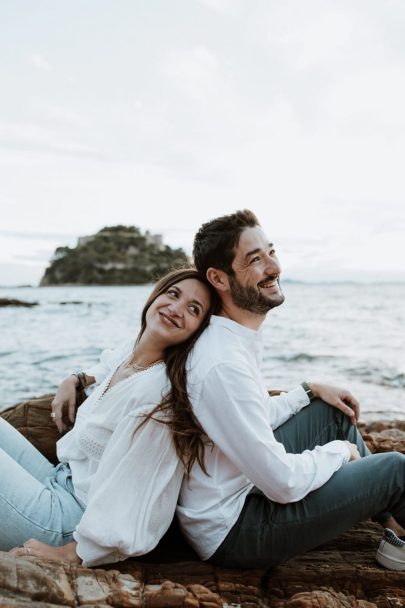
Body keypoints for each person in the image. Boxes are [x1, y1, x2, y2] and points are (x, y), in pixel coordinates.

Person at [176, 209, 405, 571]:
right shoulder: (222, 363)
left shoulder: (232, 336)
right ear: (218, 278)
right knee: (395, 469)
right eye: (255, 260)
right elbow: (281, 482)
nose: (273, 267)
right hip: (235, 530)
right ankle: (396, 519)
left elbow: (253, 418)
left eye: (271, 252)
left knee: (331, 411)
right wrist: (340, 452)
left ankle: (396, 526)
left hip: (237, 489)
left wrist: (307, 390)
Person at [3, 268, 216, 566]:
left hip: (68, 523)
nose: (176, 309)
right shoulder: (133, 353)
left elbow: (140, 496)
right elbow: (107, 366)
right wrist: (75, 378)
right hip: (60, 478)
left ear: (199, 330)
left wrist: (73, 554)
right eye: (173, 294)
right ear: (155, 295)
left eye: (194, 309)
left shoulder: (158, 398)